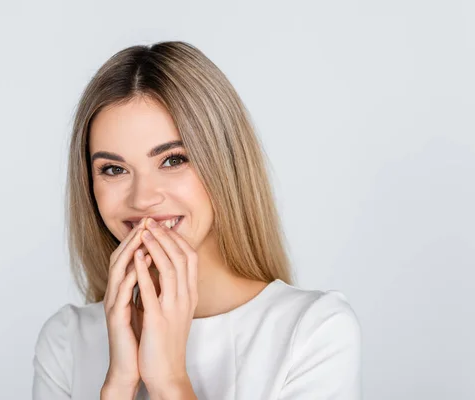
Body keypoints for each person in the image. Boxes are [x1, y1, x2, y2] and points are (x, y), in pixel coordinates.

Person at [32, 41, 361, 400]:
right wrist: (119, 386)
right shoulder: (65, 342)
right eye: (114, 169)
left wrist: (169, 382)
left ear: (225, 162)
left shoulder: (313, 332)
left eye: (173, 160)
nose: (142, 198)